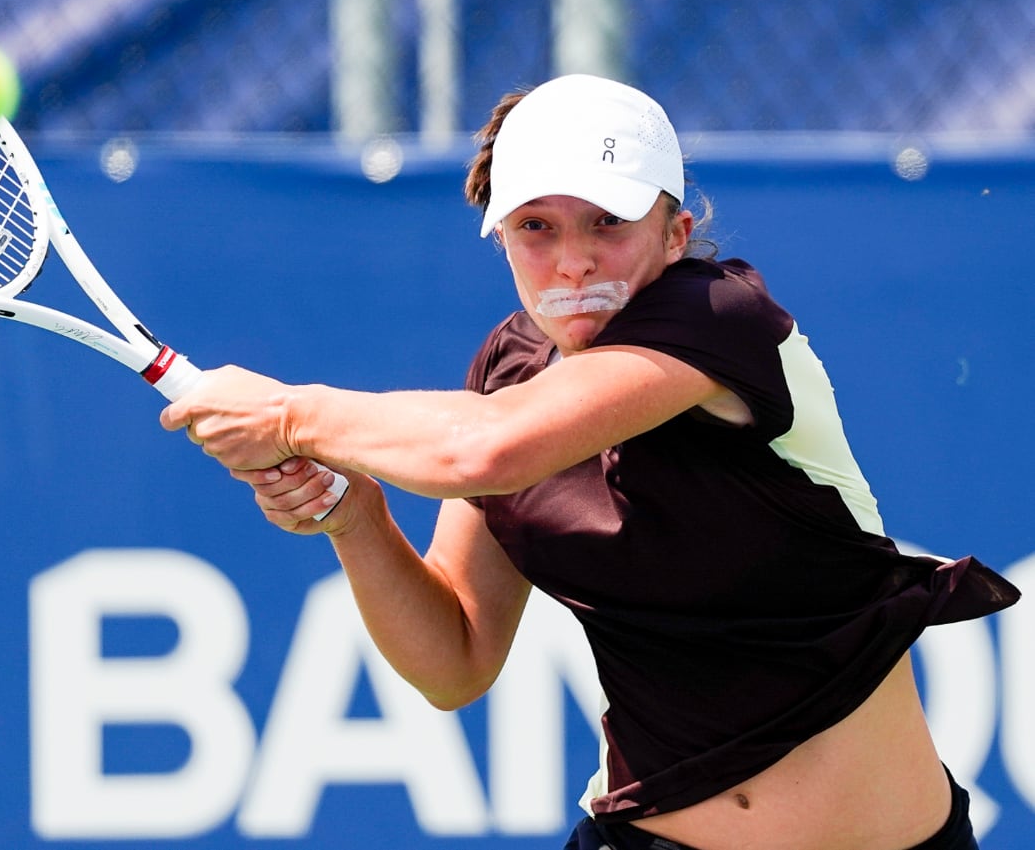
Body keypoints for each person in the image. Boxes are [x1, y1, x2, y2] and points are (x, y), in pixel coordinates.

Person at [159, 74, 1020, 850]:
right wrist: (356, 517)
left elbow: (483, 449)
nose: (572, 260)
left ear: (674, 232)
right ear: (500, 238)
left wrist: (290, 413)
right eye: (536, 226)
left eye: (606, 222)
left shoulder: (718, 318)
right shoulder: (509, 371)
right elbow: (454, 660)